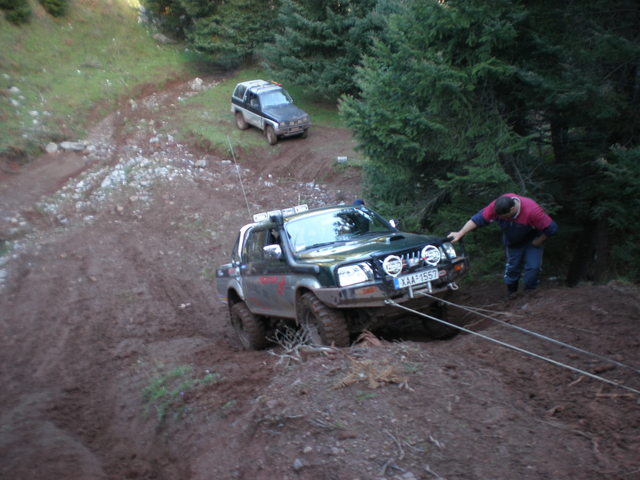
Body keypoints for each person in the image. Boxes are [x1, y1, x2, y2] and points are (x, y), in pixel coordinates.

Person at [448, 194, 557, 295]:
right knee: (512, 268)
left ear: (513, 209)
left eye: (505, 216)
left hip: (532, 240)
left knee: (533, 268)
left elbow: (552, 228)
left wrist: (539, 240)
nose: (503, 218)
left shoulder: (532, 211)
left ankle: (530, 294)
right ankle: (512, 295)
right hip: (513, 242)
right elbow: (477, 220)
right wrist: (460, 233)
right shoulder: (497, 207)